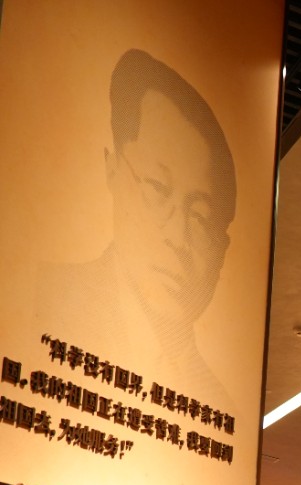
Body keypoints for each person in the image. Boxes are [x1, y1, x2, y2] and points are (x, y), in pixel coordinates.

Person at [34, 49, 238, 406]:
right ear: (112, 170)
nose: (176, 236)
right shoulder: (37, 301)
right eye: (157, 189)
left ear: (221, 249)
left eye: (200, 217)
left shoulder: (217, 404)